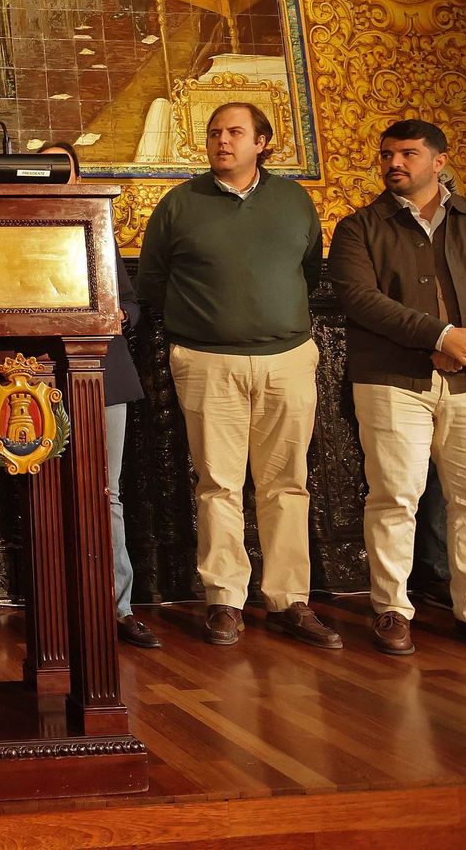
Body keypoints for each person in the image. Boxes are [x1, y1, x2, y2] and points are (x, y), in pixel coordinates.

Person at [137, 102, 336, 650]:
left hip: (287, 359)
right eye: (214, 132)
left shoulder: (294, 200)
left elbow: (310, 269)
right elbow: (153, 279)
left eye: (235, 132)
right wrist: (198, 325)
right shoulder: (179, 204)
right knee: (218, 485)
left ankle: (289, 600)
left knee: (286, 484)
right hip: (206, 362)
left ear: (262, 143)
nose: (222, 140)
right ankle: (225, 599)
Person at [327, 119, 466, 654]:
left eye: (409, 154)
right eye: (387, 155)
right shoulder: (359, 227)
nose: (395, 163)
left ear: (440, 161)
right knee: (395, 496)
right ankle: (392, 609)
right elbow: (360, 299)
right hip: (392, 377)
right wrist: (441, 335)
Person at [38, 144, 159, 648]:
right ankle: (53, 607)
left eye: (61, 172)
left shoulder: (98, 232)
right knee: (45, 495)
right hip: (33, 382)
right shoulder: (6, 233)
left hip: (102, 377)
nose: (53, 181)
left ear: (77, 178)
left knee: (104, 494)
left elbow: (128, 301)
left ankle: (116, 607)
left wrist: (120, 317)